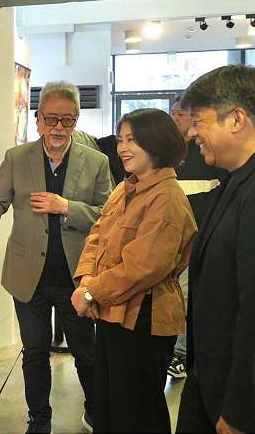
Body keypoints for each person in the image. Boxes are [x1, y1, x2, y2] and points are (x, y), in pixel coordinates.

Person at [0, 81, 113, 434]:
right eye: (51, 118)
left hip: (76, 278)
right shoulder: (17, 158)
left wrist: (66, 207)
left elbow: (108, 214)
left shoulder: (96, 161)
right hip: (28, 278)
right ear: (38, 120)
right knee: (35, 353)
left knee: (86, 353)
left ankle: (96, 411)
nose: (58, 127)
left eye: (67, 120)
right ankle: (39, 421)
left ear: (76, 120)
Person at [71, 108, 196, 433]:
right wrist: (86, 281)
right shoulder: (125, 188)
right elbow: (97, 234)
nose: (122, 148)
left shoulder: (167, 198)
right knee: (109, 405)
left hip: (144, 319)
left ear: (156, 143)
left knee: (137, 413)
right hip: (111, 312)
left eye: (132, 140)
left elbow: (142, 267)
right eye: (121, 140)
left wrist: (90, 291)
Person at [175, 65, 255, 434]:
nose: (191, 133)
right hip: (208, 381)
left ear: (236, 119)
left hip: (234, 400)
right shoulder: (233, 181)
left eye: (198, 121)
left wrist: (241, 410)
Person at [167, 95, 226, 379]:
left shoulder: (208, 155)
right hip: (168, 241)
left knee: (187, 295)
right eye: (172, 112)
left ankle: (181, 353)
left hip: (199, 241)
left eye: (180, 114)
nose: (174, 119)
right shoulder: (165, 153)